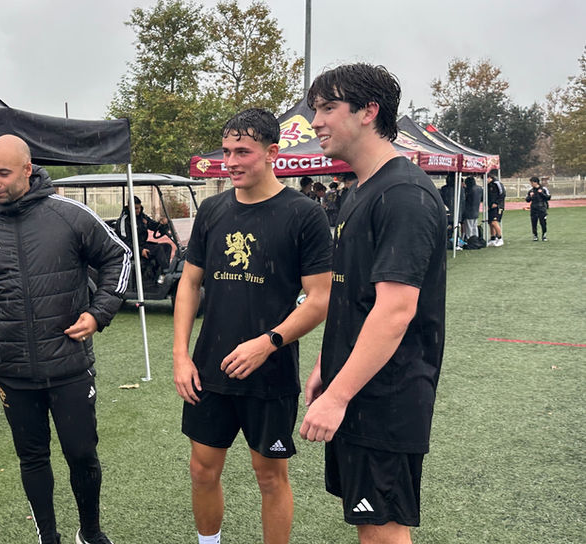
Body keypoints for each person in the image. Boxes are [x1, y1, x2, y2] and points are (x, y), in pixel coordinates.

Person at [0, 134, 131, 544]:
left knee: (82, 454)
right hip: (11, 371)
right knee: (32, 458)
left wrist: (98, 313)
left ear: (27, 170)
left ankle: (90, 532)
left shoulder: (69, 215)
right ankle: (48, 536)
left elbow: (119, 256)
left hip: (69, 365)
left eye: (3, 173)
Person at [300, 64, 446, 544]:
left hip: (387, 396)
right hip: (359, 384)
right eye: (315, 109)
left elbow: (395, 310)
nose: (315, 121)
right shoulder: (361, 190)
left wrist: (338, 396)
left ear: (368, 111)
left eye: (328, 108)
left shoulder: (402, 193)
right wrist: (327, 363)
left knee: (383, 530)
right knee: (370, 525)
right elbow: (354, 295)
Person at [172, 108, 333, 544]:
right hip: (209, 369)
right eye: (226, 151)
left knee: (270, 476)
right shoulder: (212, 210)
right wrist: (181, 355)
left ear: (272, 152)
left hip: (270, 373)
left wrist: (268, 342)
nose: (231, 161)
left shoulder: (304, 214)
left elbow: (320, 298)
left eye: (242, 151)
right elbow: (189, 284)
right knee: (202, 469)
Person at [117, 195, 171, 284]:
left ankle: (159, 275)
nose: (138, 210)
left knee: (167, 246)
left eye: (139, 208)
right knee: (158, 249)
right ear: (129, 207)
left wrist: (162, 224)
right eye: (135, 208)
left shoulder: (142, 217)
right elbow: (124, 242)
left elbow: (153, 225)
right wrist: (140, 250)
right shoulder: (124, 221)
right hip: (132, 249)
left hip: (143, 244)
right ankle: (165, 273)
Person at [525, 176, 550, 241]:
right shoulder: (531, 190)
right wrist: (530, 196)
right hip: (533, 209)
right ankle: (535, 235)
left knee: (543, 223)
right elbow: (527, 200)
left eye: (532, 183)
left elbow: (548, 197)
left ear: (535, 182)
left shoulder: (543, 189)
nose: (531, 184)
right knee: (534, 223)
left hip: (542, 208)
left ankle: (544, 235)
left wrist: (541, 193)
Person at [486, 174, 506, 246]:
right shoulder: (488, 185)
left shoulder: (497, 183)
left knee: (494, 222)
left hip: (498, 206)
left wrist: (496, 203)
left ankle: (500, 238)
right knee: (490, 223)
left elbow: (502, 194)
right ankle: (493, 238)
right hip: (490, 206)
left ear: (489, 178)